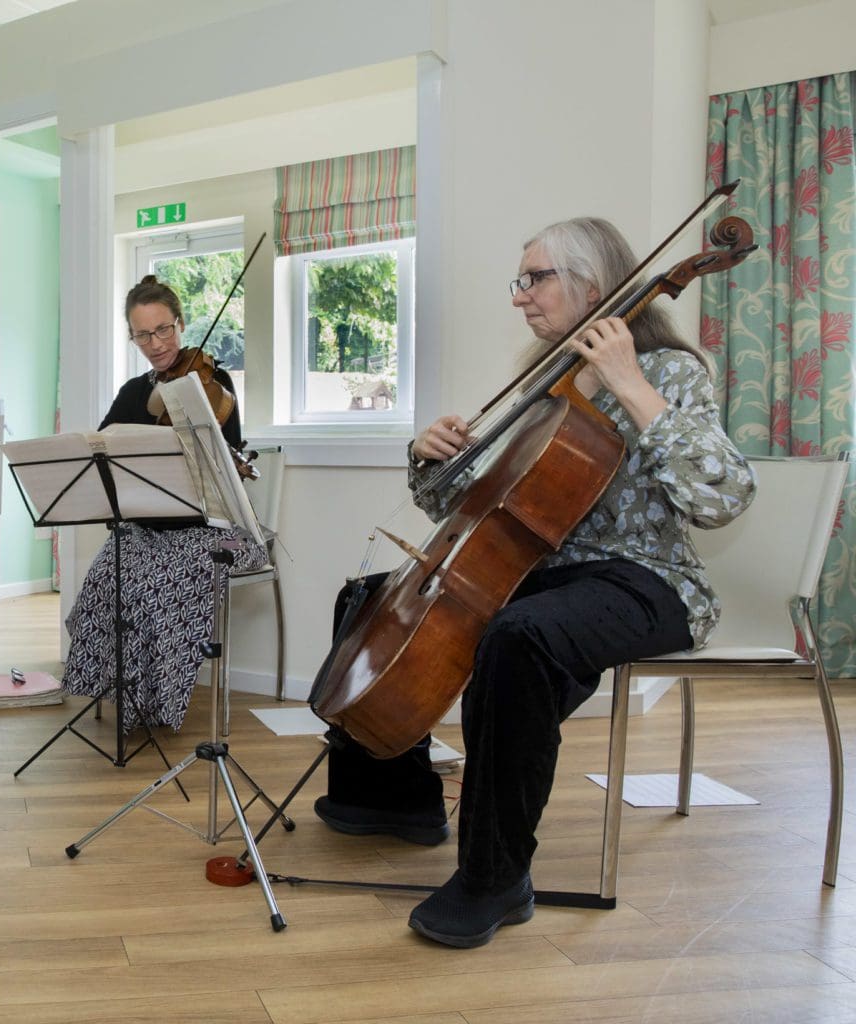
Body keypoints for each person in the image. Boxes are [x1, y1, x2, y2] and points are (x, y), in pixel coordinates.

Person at [314, 217, 757, 948]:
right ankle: (394, 799)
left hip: (645, 579)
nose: (521, 296)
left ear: (592, 285)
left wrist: (631, 385)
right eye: (521, 280)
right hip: (544, 570)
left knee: (521, 638)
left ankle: (495, 875)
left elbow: (722, 498)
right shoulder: (544, 377)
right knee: (369, 596)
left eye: (535, 278)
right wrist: (430, 459)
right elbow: (471, 504)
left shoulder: (670, 371)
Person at [61, 275, 265, 729]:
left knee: (164, 579)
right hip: (150, 528)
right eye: (142, 334)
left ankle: (160, 701)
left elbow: (225, 468)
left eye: (164, 330)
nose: (155, 344)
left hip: (210, 530)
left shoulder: (213, 381)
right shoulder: (134, 393)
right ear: (131, 336)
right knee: (111, 567)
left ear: (180, 323)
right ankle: (126, 695)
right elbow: (101, 448)